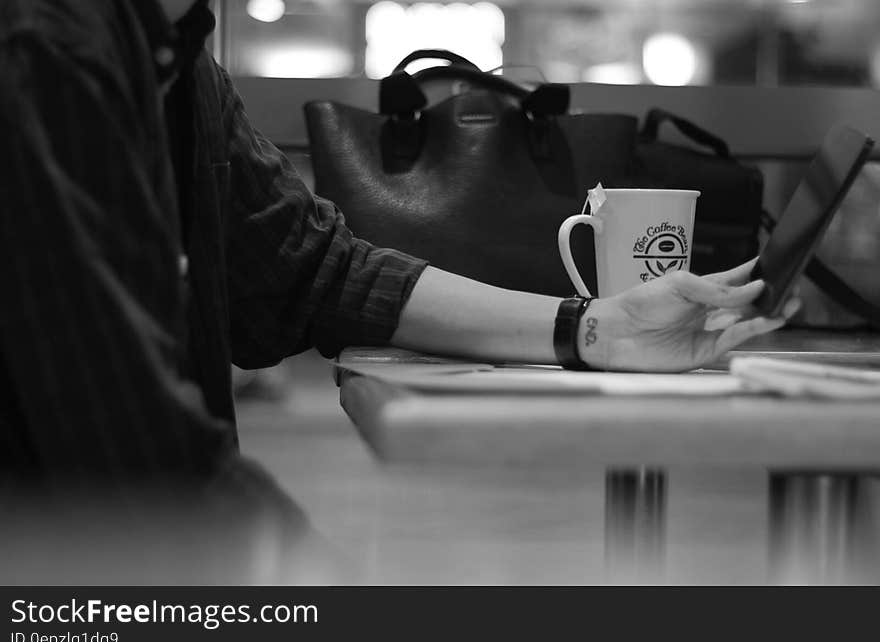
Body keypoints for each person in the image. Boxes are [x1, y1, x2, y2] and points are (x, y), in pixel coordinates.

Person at [0, 0, 796, 477]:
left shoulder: (178, 57)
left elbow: (313, 269)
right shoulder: (45, 51)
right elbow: (132, 459)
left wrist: (597, 328)